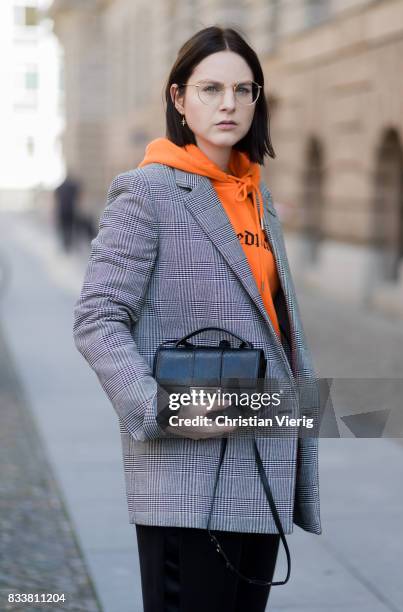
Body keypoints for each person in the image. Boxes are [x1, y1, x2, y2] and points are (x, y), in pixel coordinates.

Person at [73, 26, 322, 612]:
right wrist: (155, 408)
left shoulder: (257, 199)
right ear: (179, 99)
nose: (229, 103)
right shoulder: (146, 192)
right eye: (211, 89)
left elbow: (279, 333)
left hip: (263, 462)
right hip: (187, 475)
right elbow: (97, 318)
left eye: (243, 89)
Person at [54, 173, 81, 252]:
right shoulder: (73, 186)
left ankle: (66, 245)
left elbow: (56, 199)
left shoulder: (59, 187)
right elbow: (79, 196)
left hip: (62, 210)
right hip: (71, 209)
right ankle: (69, 244)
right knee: (70, 228)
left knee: (64, 228)